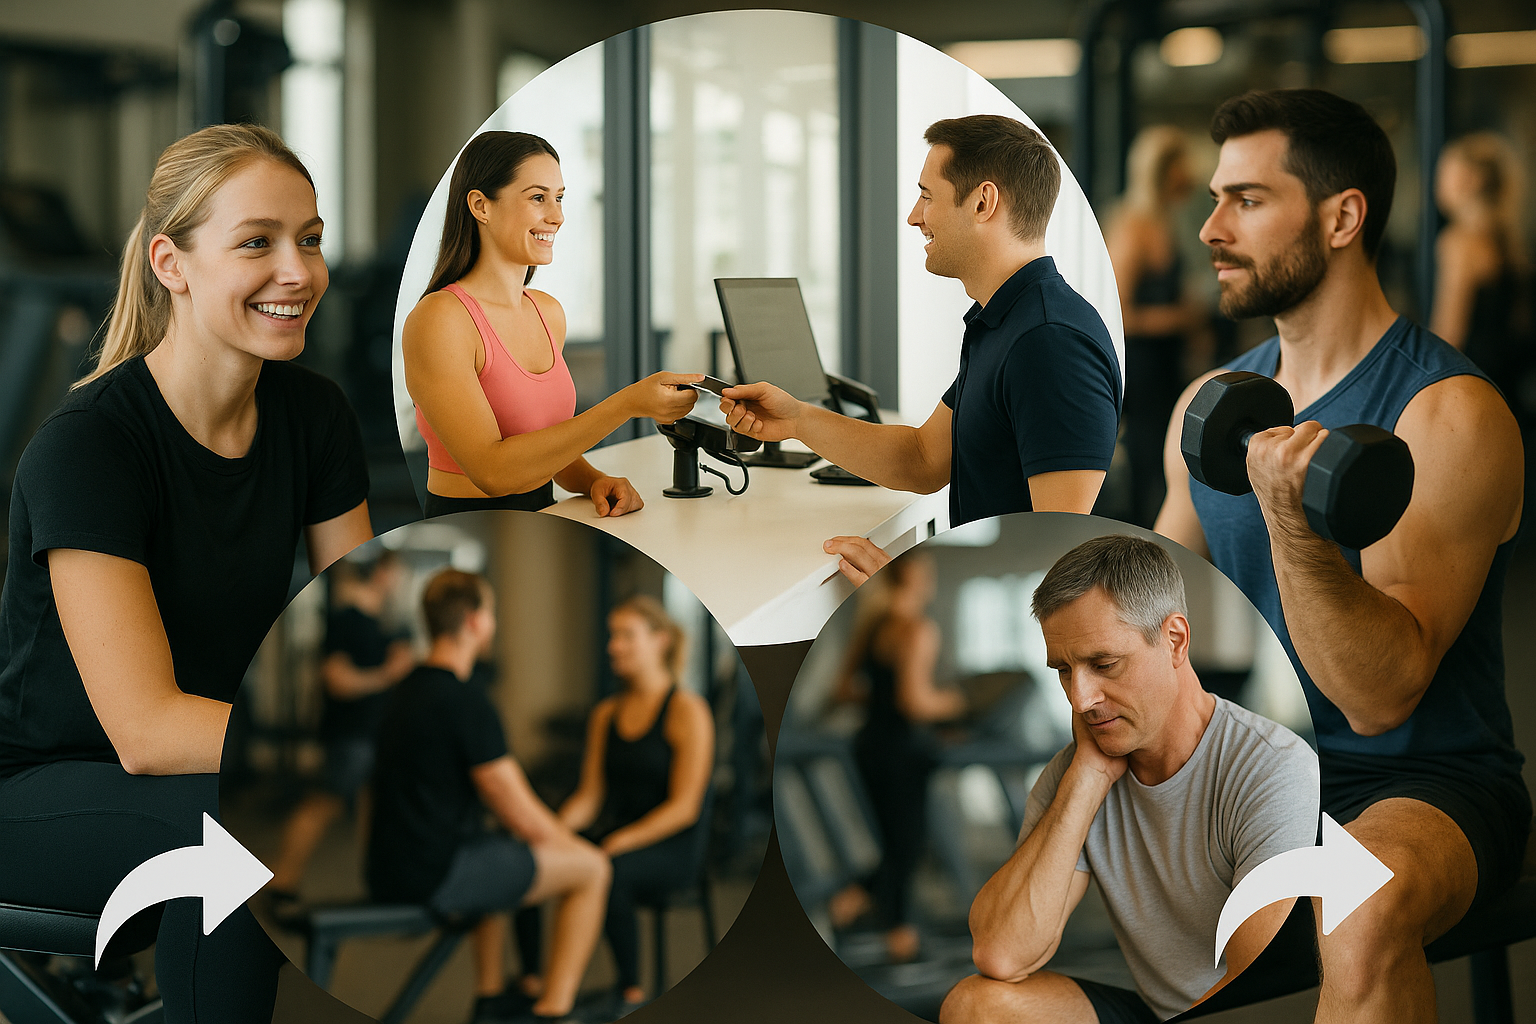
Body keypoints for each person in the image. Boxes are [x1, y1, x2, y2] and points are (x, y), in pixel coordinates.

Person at [1155, 89, 1529, 1024]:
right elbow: (1153, 600)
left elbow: (1379, 697)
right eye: (1215, 198)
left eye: (1246, 200)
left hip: (1420, 783)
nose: (1210, 228)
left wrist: (1291, 522)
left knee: (1356, 904)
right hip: (1256, 776)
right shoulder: (1210, 404)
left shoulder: (1446, 414)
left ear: (1342, 218)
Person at [0, 123, 373, 1022]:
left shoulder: (313, 416)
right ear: (171, 264)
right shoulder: (90, 448)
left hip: (192, 779)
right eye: (257, 243)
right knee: (233, 837)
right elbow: (147, 730)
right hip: (33, 791)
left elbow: (363, 608)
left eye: (310, 239)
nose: (297, 271)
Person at [719, 114, 1122, 583]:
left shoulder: (1049, 343)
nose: (914, 215)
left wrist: (907, 587)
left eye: (927, 196)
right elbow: (923, 458)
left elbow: (1062, 557)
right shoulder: (1005, 322)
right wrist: (796, 420)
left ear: (983, 202)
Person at [942, 535, 1318, 1024]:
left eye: (1104, 664)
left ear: (1174, 640)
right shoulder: (1072, 772)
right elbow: (1001, 954)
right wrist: (1087, 777)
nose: (1081, 699)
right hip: (1163, 1011)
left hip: (1259, 1012)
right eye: (1064, 670)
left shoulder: (1272, 768)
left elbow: (1247, 989)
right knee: (975, 1007)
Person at [403, 130, 701, 519]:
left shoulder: (547, 313)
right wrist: (626, 404)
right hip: (471, 523)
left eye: (558, 198)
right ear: (480, 206)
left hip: (544, 517)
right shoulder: (440, 319)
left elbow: (544, 446)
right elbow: (493, 472)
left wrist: (592, 480)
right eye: (537, 198)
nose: (557, 216)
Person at [368, 569, 610, 1024]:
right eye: (491, 614)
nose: (493, 625)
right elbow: (519, 811)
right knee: (593, 870)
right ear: (475, 622)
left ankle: (490, 999)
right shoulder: (465, 700)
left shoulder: (405, 690)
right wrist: (573, 847)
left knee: (498, 849)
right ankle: (553, 1012)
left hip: (386, 868)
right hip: (433, 874)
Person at [555, 595, 715, 1014]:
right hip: (619, 835)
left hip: (673, 847)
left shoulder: (688, 710)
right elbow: (590, 796)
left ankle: (630, 993)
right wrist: (553, 832)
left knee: (609, 871)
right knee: (540, 860)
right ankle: (539, 985)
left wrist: (620, 842)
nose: (614, 646)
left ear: (660, 640)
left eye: (626, 635)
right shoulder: (606, 713)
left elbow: (685, 807)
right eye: (612, 636)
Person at [825, 551, 963, 964]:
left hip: (869, 745)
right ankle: (899, 938)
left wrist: (879, 699)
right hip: (903, 750)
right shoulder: (918, 629)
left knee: (887, 843)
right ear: (916, 578)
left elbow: (844, 689)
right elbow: (914, 702)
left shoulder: (872, 625)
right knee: (906, 845)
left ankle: (849, 910)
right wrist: (958, 702)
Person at [265, 550, 414, 907]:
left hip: (375, 733)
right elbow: (336, 680)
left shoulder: (383, 624)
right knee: (324, 803)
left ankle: (376, 885)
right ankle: (281, 881)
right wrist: (387, 674)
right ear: (381, 572)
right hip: (351, 735)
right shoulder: (348, 620)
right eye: (397, 573)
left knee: (373, 808)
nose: (400, 582)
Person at [1103, 125, 1210, 527]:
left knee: (1167, 463)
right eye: (1183, 166)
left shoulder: (1168, 222)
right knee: (1148, 464)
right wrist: (1180, 318)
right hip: (1142, 369)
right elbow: (1118, 314)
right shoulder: (1132, 227)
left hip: (1166, 367)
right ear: (1163, 171)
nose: (1190, 176)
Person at [1431, 132, 1532, 412]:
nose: (1437, 181)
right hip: (1507, 389)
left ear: (1471, 180)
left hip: (1471, 392)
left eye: (1446, 171)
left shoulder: (1459, 243)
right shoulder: (1508, 242)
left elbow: (1449, 335)